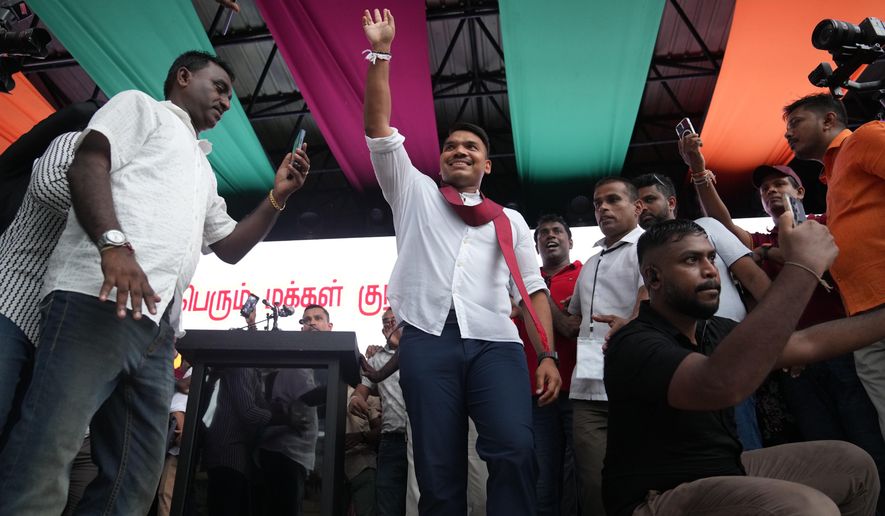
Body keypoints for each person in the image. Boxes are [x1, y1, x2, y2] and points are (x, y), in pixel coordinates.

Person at [0, 50, 311, 515]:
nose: (226, 102)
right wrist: (113, 245)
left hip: (159, 331)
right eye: (219, 87)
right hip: (98, 297)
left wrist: (277, 196)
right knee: (47, 451)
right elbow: (88, 161)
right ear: (183, 77)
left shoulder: (204, 171)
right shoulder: (139, 107)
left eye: (230, 96)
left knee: (136, 478)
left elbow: (229, 246)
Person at [362, 9, 560, 515]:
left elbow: (532, 290)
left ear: (486, 164)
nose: (459, 151)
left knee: (515, 450)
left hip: (496, 343)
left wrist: (548, 355)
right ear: (441, 159)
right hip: (428, 339)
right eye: (451, 146)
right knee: (436, 469)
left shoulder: (509, 220)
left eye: (471, 146)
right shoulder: (414, 192)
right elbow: (378, 128)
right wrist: (381, 53)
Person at [603, 218, 885, 516]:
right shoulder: (634, 343)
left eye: (711, 257)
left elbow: (807, 343)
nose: (710, 270)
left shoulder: (715, 329)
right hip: (657, 496)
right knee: (810, 508)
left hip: (724, 470)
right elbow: (719, 384)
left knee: (853, 465)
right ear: (653, 277)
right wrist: (803, 267)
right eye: (691, 260)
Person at [681, 132, 885, 481]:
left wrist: (773, 254)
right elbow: (722, 225)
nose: (772, 191)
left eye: (780, 184)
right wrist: (699, 172)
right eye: (765, 190)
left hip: (843, 348)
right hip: (793, 361)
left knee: (866, 440)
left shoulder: (828, 226)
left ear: (801, 192)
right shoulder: (759, 240)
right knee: (822, 447)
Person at [633, 172, 771, 450]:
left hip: (728, 348)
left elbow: (755, 280)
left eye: (649, 199)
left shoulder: (706, 227)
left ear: (671, 202)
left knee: (742, 441)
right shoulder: (646, 251)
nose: (642, 208)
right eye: (637, 204)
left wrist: (781, 333)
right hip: (677, 360)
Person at [783, 93, 885, 438]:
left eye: (795, 123)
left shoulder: (864, 139)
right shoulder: (833, 175)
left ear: (828, 120)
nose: (788, 134)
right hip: (861, 318)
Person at [559, 176, 645, 515]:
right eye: (597, 203)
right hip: (587, 390)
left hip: (636, 385)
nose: (603, 208)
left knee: (642, 481)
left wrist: (633, 325)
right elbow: (572, 324)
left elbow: (652, 305)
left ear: (637, 207)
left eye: (613, 200)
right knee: (594, 485)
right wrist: (533, 292)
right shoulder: (591, 262)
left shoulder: (650, 247)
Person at [512, 214, 582, 516]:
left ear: (570, 241)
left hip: (580, 391)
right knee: (542, 474)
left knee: (581, 472)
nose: (550, 236)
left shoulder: (585, 274)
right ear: (535, 245)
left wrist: (536, 294)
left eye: (557, 231)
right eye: (543, 233)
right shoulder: (517, 285)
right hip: (535, 392)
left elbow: (573, 328)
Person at [350, 309, 409, 516]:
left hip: (421, 440)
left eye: (395, 320)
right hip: (391, 441)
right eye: (386, 322)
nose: (390, 324)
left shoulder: (418, 350)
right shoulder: (376, 360)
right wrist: (355, 399)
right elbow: (361, 390)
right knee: (387, 505)